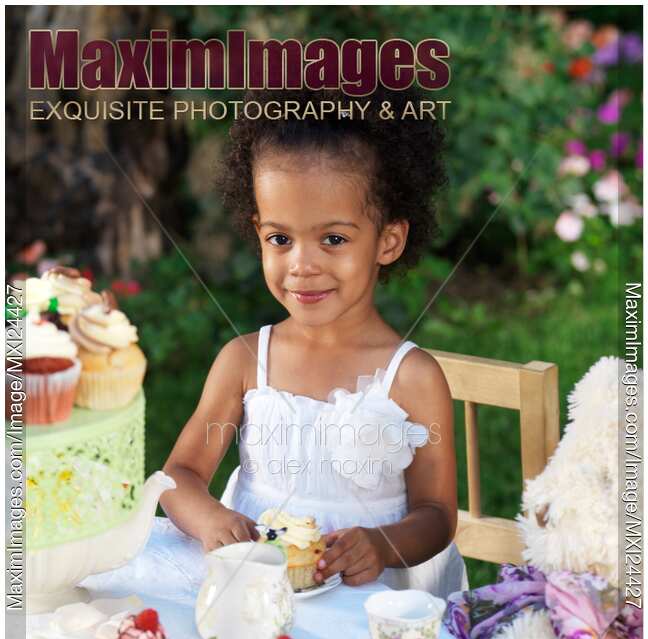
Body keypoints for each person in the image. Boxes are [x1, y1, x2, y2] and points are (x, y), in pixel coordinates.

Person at [162, 87, 468, 596]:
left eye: (334, 239)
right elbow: (181, 474)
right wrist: (212, 519)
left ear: (388, 241)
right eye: (280, 239)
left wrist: (381, 543)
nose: (302, 265)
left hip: (368, 599)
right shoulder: (244, 361)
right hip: (256, 584)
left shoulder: (411, 378)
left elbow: (436, 516)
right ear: (257, 231)